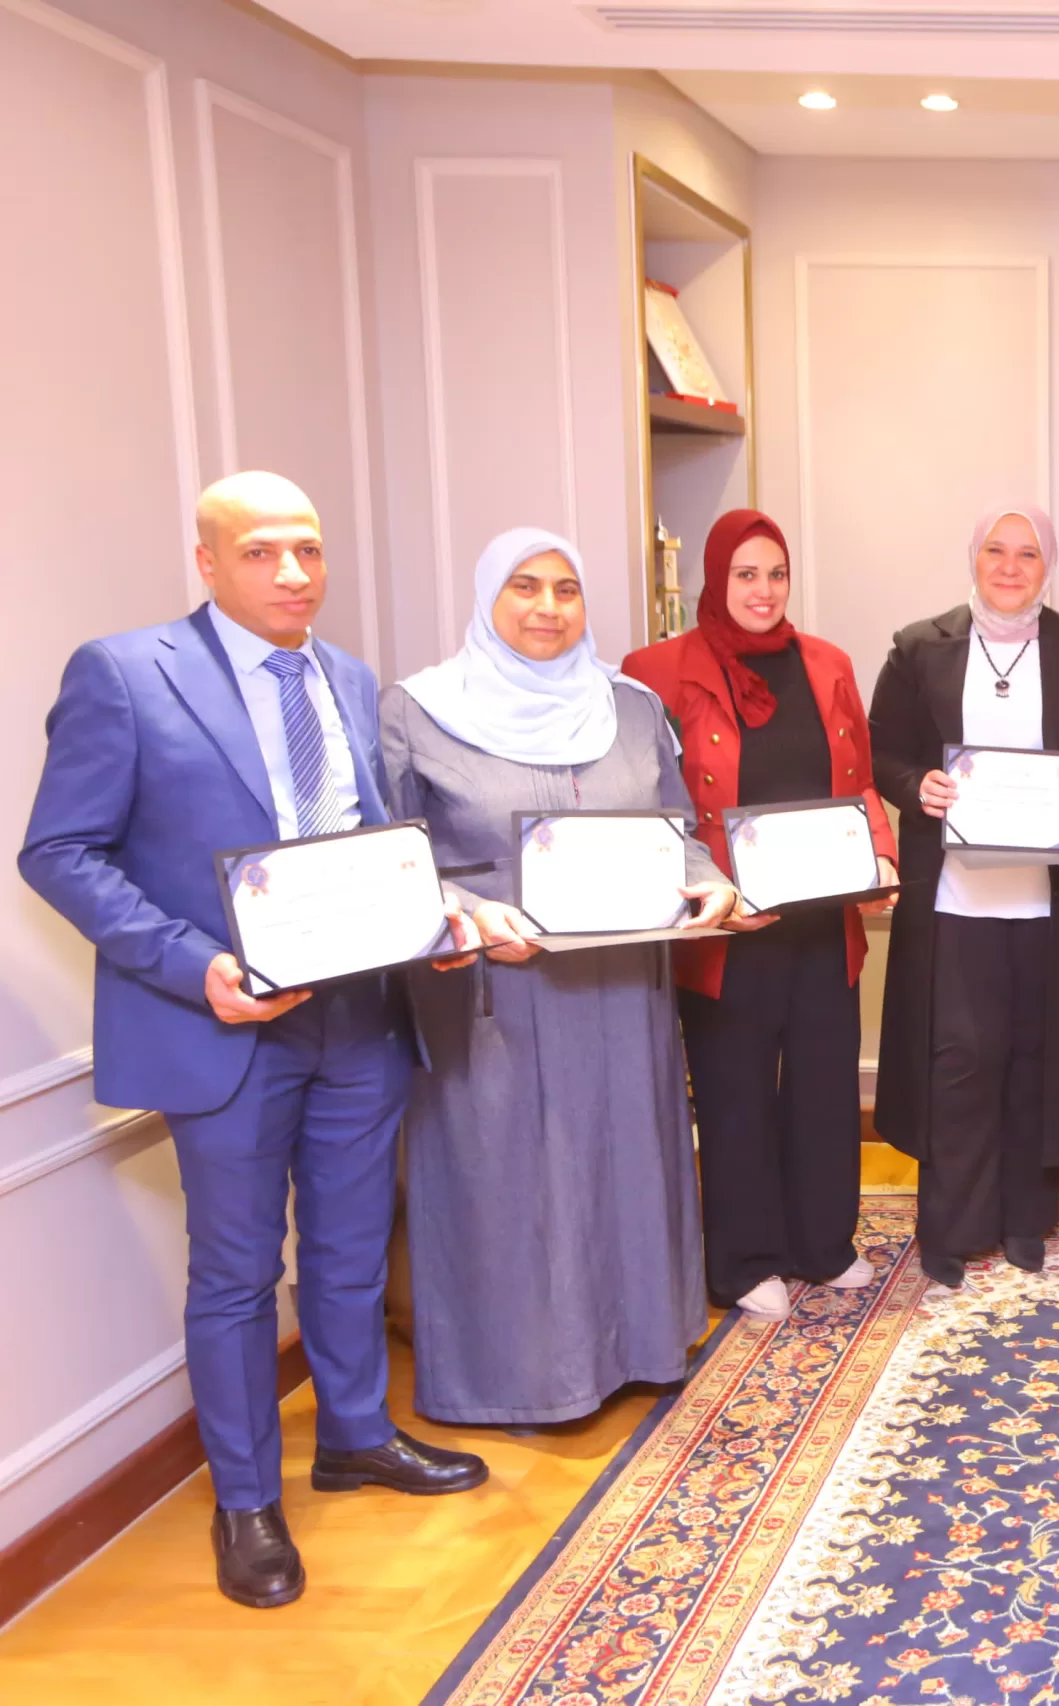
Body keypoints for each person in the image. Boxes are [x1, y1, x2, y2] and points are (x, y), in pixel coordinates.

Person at [19, 472, 487, 1609]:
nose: (293, 573)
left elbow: (370, 844)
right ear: (208, 561)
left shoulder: (349, 677)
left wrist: (433, 918)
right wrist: (195, 966)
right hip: (221, 1026)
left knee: (349, 1246)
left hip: (357, 1018)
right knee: (236, 1272)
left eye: (309, 551)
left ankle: (356, 1435)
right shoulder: (125, 674)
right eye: (263, 552)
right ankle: (245, 1500)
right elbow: (59, 850)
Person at [383, 528, 737, 1426]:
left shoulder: (630, 707)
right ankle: (513, 1378)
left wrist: (707, 878)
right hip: (496, 993)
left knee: (623, 1165)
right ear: (486, 597)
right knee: (514, 1183)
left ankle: (640, 1347)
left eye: (566, 589)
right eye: (525, 587)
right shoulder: (417, 711)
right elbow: (392, 860)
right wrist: (465, 910)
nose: (548, 607)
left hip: (623, 992)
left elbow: (677, 827)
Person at [623, 510, 898, 1319]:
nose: (764, 590)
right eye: (745, 574)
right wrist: (706, 887)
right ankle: (744, 1259)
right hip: (729, 925)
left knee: (823, 1083)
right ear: (717, 578)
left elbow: (860, 780)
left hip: (823, 919)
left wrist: (880, 856)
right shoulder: (657, 670)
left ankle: (823, 1242)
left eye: (776, 574)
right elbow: (652, 802)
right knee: (735, 1092)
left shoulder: (826, 663)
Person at [868, 504, 1059, 1288]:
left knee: (1032, 1060)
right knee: (959, 1063)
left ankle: (1024, 1220)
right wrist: (917, 786)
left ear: (1048, 567)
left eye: (1028, 554)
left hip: (1052, 905)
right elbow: (882, 751)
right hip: (953, 902)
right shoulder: (919, 647)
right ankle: (952, 1227)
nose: (1010, 567)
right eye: (996, 550)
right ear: (974, 556)